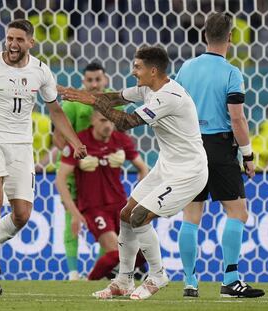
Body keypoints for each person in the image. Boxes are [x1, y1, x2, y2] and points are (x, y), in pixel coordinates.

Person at [0, 19, 87, 299]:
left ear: (31, 43)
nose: (12, 44)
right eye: (9, 38)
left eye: (19, 39)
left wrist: (75, 141)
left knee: (22, 215)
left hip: (22, 147)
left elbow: (55, 110)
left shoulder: (41, 71)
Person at [58, 45, 208, 300]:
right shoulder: (148, 88)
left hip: (188, 172)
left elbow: (127, 123)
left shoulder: (168, 96)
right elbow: (115, 97)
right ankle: (123, 280)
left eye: (137, 67)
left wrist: (94, 100)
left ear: (153, 70)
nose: (133, 71)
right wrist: (86, 96)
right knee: (126, 215)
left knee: (139, 217)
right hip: (166, 166)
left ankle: (158, 275)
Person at [175, 12, 265, 298]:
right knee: (237, 211)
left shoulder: (185, 69)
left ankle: (190, 282)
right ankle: (230, 280)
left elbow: (174, 109)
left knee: (191, 214)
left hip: (189, 146)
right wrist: (248, 156)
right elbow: (237, 120)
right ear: (230, 38)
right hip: (219, 147)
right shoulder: (231, 73)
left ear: (204, 36)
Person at [56, 110, 148, 280]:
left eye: (111, 121)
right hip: (94, 208)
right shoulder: (80, 143)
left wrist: (135, 201)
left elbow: (143, 168)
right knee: (116, 251)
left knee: (144, 250)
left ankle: (116, 274)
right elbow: (60, 180)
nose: (108, 125)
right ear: (92, 121)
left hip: (121, 205)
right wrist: (75, 214)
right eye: (103, 121)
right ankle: (90, 281)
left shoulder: (120, 140)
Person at [53, 62, 109, 280]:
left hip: (100, 170)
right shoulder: (73, 105)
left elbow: (119, 138)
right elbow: (58, 138)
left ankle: (100, 272)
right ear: (83, 82)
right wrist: (75, 158)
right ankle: (73, 272)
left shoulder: (114, 104)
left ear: (105, 80)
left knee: (108, 218)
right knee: (72, 215)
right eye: (90, 80)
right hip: (74, 168)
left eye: (98, 79)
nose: (94, 84)